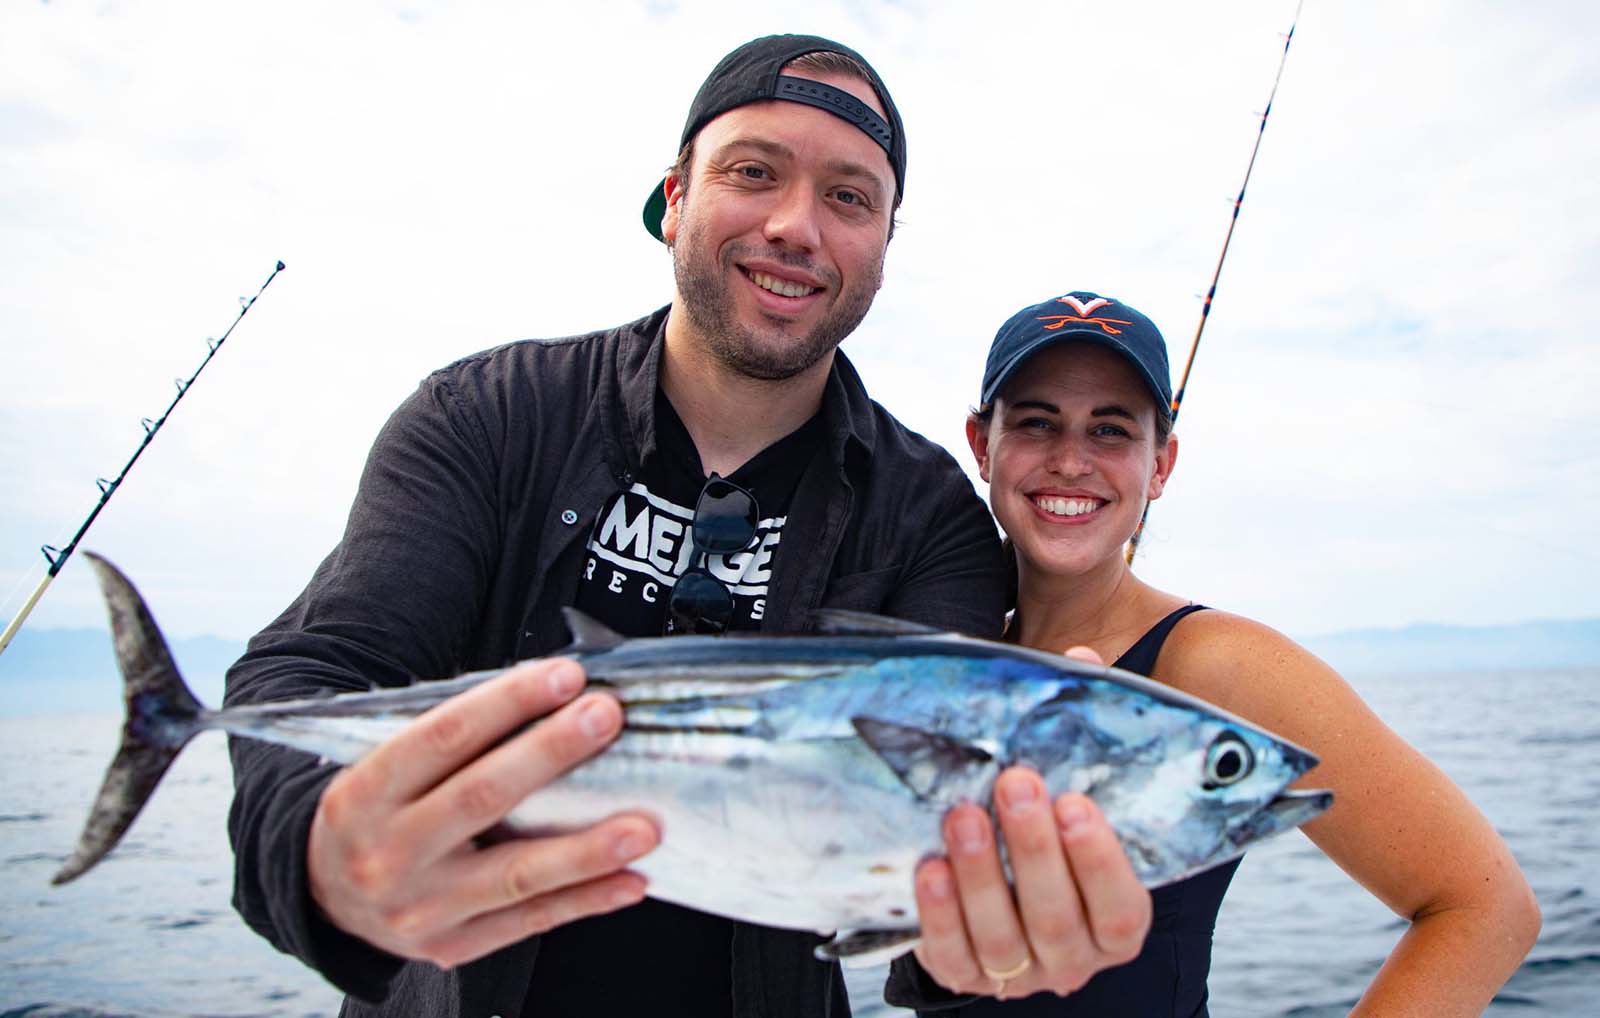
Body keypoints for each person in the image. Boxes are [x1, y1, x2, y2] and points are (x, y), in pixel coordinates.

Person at [224, 37, 1151, 1018]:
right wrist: (323, 859)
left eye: (848, 197)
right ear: (673, 198)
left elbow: (918, 890)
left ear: (883, 243)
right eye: (753, 172)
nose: (796, 226)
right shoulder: (487, 418)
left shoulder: (929, 521)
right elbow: (306, 676)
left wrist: (979, 950)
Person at [941, 289, 1542, 1015]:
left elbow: (1486, 907)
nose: (1071, 461)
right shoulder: (948, 656)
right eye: (1037, 423)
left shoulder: (1214, 663)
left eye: (1111, 431)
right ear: (982, 444)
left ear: (1160, 465)